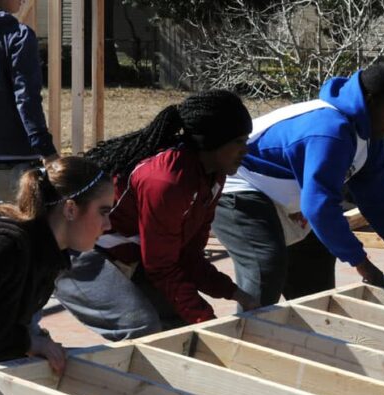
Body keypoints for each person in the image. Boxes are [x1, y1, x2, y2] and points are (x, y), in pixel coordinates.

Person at [213, 65, 384, 308]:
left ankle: (307, 338)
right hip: (237, 183)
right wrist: (361, 263)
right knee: (266, 263)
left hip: (283, 196)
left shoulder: (369, 136)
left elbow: (380, 201)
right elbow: (320, 208)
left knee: (315, 265)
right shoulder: (331, 131)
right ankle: (248, 337)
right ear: (370, 101)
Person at [55, 90, 259, 341]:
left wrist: (236, 294)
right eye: (238, 141)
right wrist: (207, 322)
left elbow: (188, 255)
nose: (245, 150)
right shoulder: (166, 181)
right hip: (76, 250)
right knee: (142, 328)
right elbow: (161, 267)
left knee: (180, 327)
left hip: (128, 254)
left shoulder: (213, 174)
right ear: (213, 142)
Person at [0, 157, 113, 374]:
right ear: (70, 209)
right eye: (103, 212)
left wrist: (35, 341)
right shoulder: (6, 244)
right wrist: (28, 344)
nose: (108, 225)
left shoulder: (45, 251)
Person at [0, 0, 58, 211]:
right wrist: (48, 152)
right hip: (10, 159)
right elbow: (26, 99)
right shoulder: (18, 35)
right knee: (24, 233)